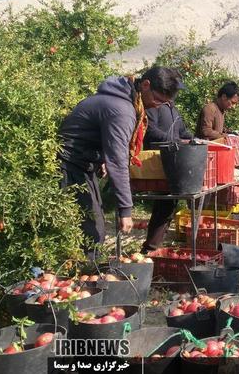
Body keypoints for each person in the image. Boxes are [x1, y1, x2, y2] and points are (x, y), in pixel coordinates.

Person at [58, 66, 183, 258]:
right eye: (157, 99)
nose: (158, 106)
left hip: (81, 164)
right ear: (146, 85)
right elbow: (118, 161)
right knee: (91, 231)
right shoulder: (122, 110)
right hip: (69, 166)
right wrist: (126, 209)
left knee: (91, 225)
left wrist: (99, 156)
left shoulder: (125, 101)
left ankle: (85, 272)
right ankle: (89, 278)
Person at [141, 70, 192, 253]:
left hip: (176, 159)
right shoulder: (153, 105)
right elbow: (148, 130)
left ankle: (153, 246)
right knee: (163, 205)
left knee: (168, 205)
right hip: (159, 160)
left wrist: (193, 140)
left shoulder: (172, 107)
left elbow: (182, 131)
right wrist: (173, 141)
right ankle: (150, 248)